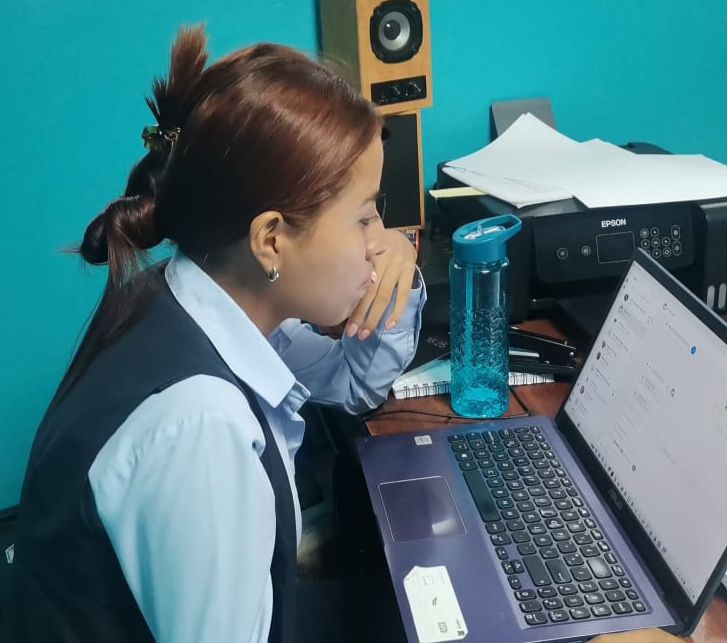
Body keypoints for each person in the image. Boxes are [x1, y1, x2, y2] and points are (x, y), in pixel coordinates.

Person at [1, 25, 424, 642]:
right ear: (271, 239)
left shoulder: (196, 296)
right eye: (364, 218)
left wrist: (399, 273)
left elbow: (355, 382)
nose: (378, 242)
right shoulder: (201, 424)